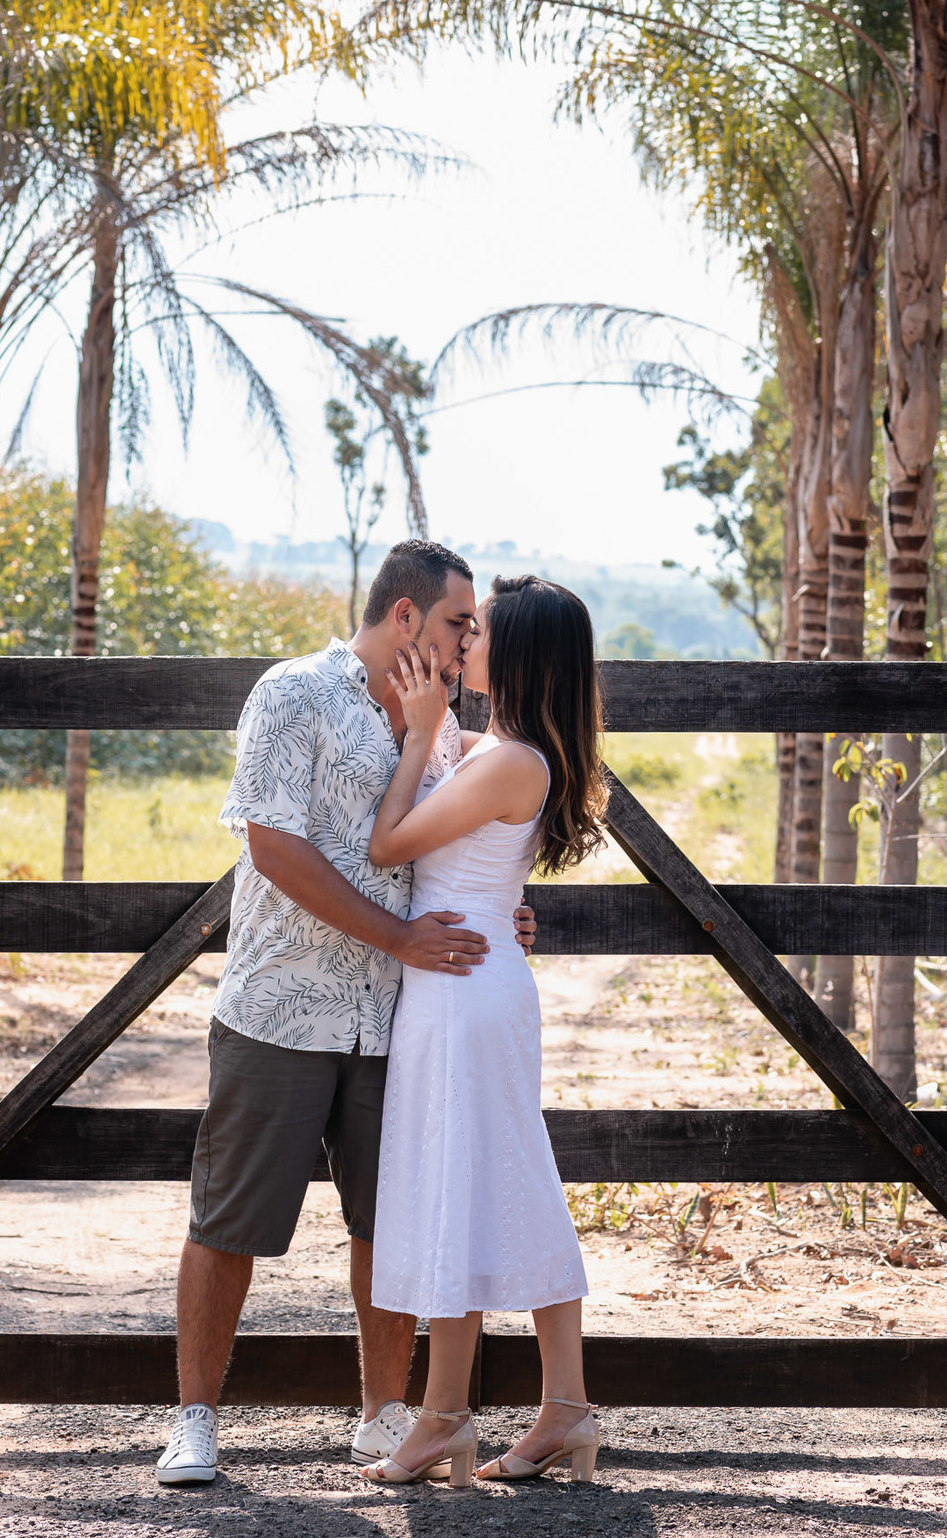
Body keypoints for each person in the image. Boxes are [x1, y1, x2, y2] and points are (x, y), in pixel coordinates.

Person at [155, 540, 537, 1486]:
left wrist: (501, 909)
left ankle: (382, 1414)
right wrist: (398, 936)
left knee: (390, 1221)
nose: (467, 642)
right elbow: (276, 849)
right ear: (404, 616)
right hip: (282, 1006)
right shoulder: (291, 695)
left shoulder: (441, 723)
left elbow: (451, 845)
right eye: (457, 623)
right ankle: (194, 1420)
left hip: (398, 1018)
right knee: (227, 1220)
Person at [359, 574, 608, 1487]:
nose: (467, 636)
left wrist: (422, 729)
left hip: (462, 986)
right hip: (465, 973)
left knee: (471, 1181)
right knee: (492, 1179)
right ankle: (556, 1407)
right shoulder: (499, 748)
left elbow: (388, 848)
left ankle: (447, 1417)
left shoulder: (506, 759)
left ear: (520, 651)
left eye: (483, 628)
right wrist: (435, 728)